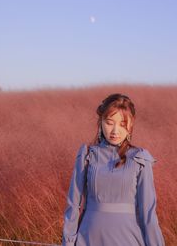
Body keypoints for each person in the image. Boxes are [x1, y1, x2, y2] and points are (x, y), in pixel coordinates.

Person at [62, 93, 165, 246]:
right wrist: (68, 242)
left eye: (122, 124)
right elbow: (73, 204)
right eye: (109, 122)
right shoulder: (87, 154)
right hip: (88, 238)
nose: (115, 131)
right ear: (101, 122)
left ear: (130, 125)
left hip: (129, 239)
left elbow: (148, 213)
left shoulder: (140, 158)